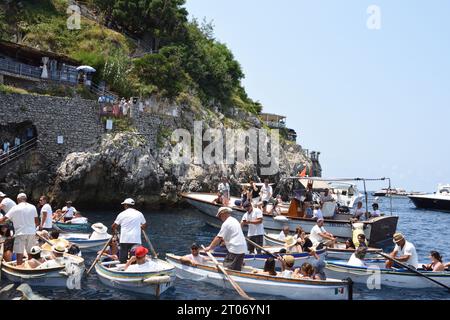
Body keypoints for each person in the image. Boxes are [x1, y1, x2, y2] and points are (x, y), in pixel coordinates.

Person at [0, 193, 39, 266]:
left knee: (19, 253)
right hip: (31, 232)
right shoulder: (33, 207)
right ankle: (31, 266)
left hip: (20, 233)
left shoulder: (15, 208)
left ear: (18, 200)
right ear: (25, 199)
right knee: (30, 252)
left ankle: (19, 267)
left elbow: (4, 219)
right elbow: (37, 222)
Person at [112, 198, 147, 264]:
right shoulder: (139, 214)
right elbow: (144, 225)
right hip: (136, 240)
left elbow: (113, 226)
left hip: (124, 240)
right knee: (134, 259)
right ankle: (133, 270)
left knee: (122, 260)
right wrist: (141, 227)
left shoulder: (122, 214)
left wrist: (114, 234)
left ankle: (123, 270)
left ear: (126, 205)